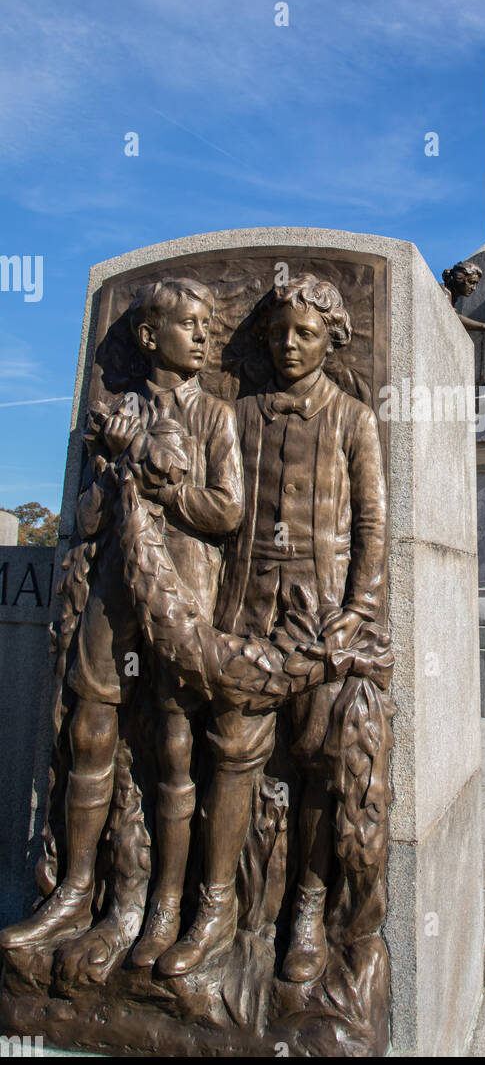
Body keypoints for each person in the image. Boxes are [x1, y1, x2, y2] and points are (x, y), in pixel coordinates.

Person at [0, 278, 243, 970]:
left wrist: (164, 485)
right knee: (90, 728)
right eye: (189, 324)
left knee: (174, 739)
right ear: (148, 335)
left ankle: (166, 905)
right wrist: (114, 468)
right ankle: (77, 888)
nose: (202, 337)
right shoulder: (113, 413)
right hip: (112, 592)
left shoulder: (215, 417)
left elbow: (228, 512)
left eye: (207, 326)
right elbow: (82, 522)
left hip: (183, 592)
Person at [157, 273, 388, 983]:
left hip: (321, 617)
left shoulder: (354, 418)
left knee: (318, 756)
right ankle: (214, 906)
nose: (290, 345)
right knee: (232, 749)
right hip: (247, 610)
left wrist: (361, 607)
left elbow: (373, 521)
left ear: (332, 341)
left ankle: (308, 913)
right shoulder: (243, 412)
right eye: (280, 333)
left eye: (307, 335)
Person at [440, 260, 485, 333]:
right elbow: (452, 317)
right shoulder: (444, 292)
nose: (474, 288)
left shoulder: (452, 298)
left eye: (475, 284)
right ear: (459, 279)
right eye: (471, 282)